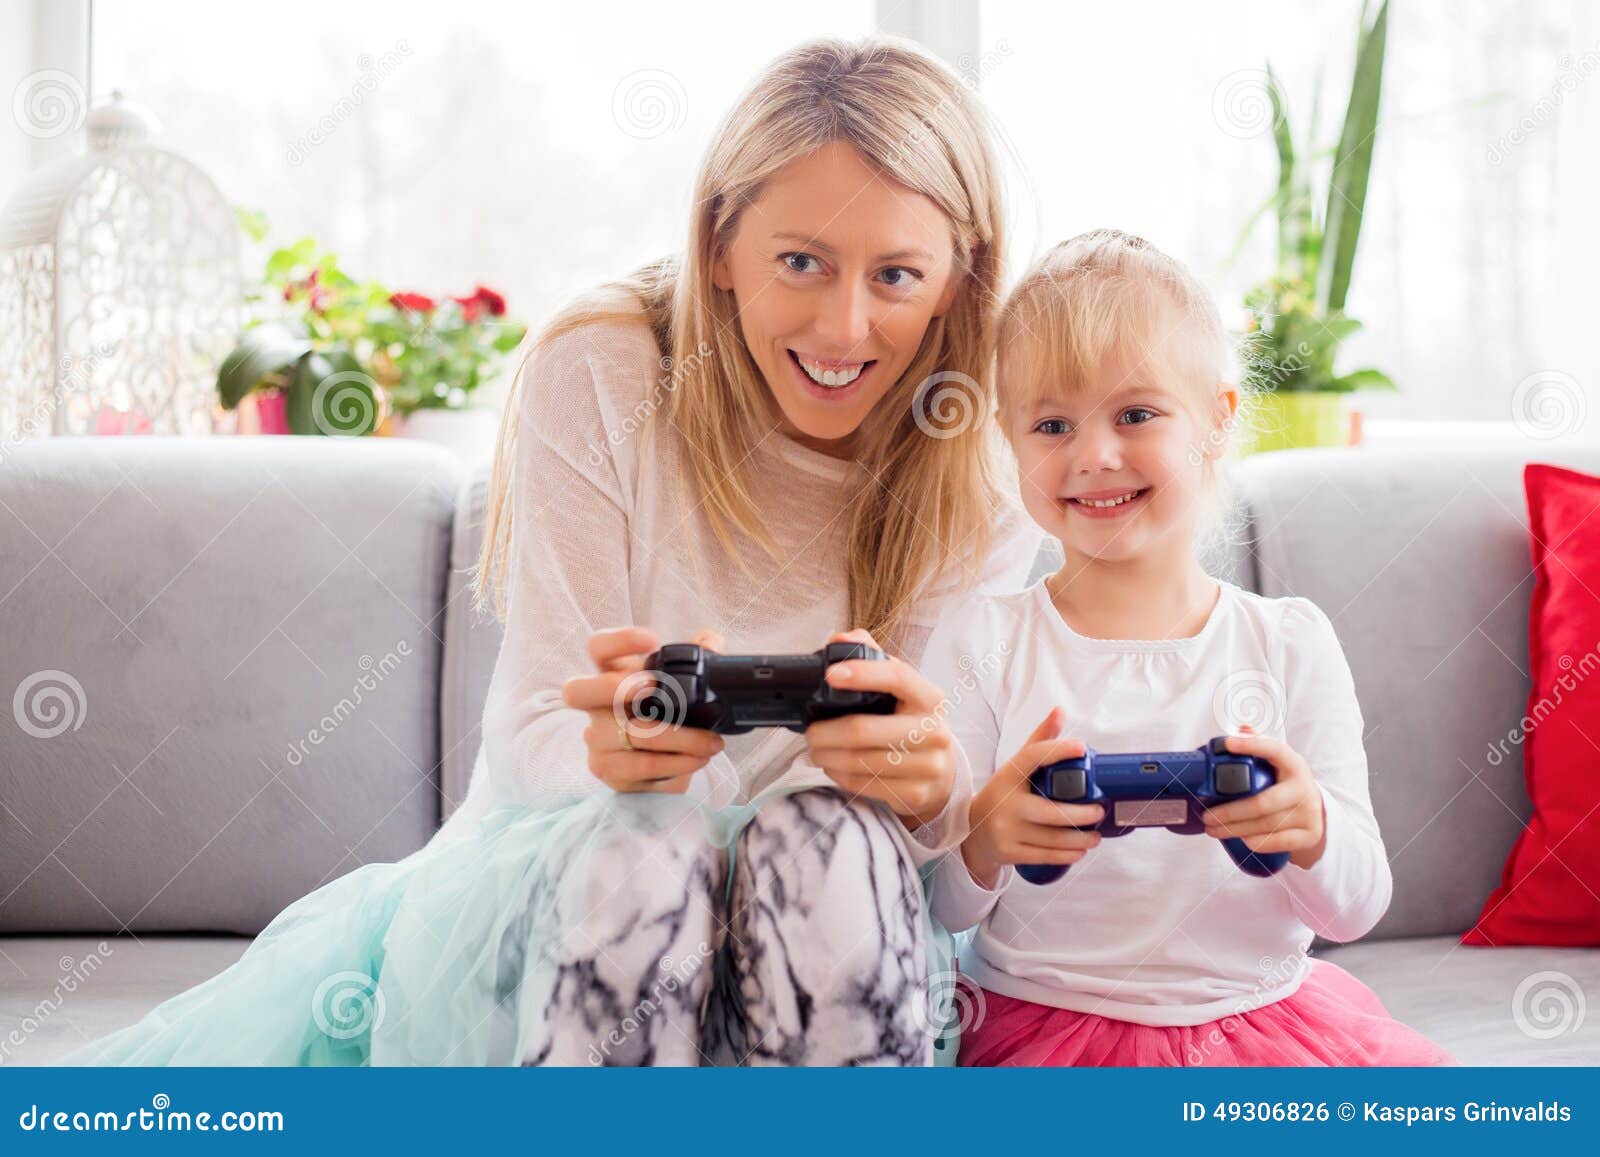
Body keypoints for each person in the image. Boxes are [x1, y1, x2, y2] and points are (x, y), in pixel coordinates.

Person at [61, 37, 1046, 1067]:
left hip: (833, 913)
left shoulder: (980, 456)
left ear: (955, 277)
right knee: (648, 852)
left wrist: (932, 791)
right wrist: (621, 755)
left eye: (895, 274)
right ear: (719, 243)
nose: (845, 325)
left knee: (831, 845)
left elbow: (944, 866)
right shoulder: (606, 367)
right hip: (594, 874)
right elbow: (535, 721)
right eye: (799, 261)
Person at [921, 229, 1453, 1066]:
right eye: (1051, 423)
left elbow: (1356, 908)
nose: (1093, 455)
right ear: (1007, 442)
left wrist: (1309, 825)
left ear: (1215, 421)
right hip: (1035, 1029)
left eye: (1136, 414)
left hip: (1265, 1028)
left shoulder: (1288, 644)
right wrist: (987, 839)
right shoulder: (986, 638)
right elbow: (943, 908)